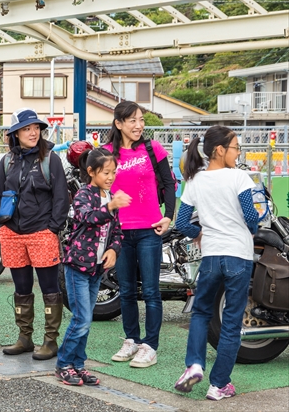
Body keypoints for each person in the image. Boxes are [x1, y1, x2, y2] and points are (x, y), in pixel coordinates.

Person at [174, 126, 258, 401]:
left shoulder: (195, 180)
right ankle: (219, 385)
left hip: (210, 256)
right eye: (236, 147)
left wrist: (198, 234)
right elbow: (251, 216)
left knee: (201, 312)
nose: (238, 153)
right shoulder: (238, 177)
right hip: (238, 255)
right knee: (231, 322)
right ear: (220, 150)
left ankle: (194, 364)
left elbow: (182, 222)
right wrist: (253, 227)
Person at [0, 108, 70, 360]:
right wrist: (2, 224)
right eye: (26, 129)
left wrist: (52, 227)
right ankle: (25, 337)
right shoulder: (6, 161)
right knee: (21, 287)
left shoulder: (50, 159)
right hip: (12, 233)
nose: (33, 132)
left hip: (42, 232)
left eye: (36, 128)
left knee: (49, 288)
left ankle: (50, 340)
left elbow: (61, 197)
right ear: (15, 134)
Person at [102, 101, 175, 368]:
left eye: (141, 120)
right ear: (118, 123)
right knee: (127, 290)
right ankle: (132, 339)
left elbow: (169, 183)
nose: (139, 125)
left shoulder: (152, 149)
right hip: (120, 232)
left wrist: (168, 215)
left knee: (152, 291)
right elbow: (99, 189)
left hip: (149, 230)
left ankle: (150, 346)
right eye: (132, 120)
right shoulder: (107, 153)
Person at [55, 148, 130, 385]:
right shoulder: (83, 195)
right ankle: (63, 364)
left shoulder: (111, 197)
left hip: (97, 269)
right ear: (91, 172)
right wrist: (111, 206)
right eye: (106, 172)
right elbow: (88, 217)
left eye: (113, 172)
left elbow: (117, 232)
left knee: (85, 321)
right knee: (82, 319)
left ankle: (78, 365)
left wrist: (113, 250)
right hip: (77, 266)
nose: (111, 177)